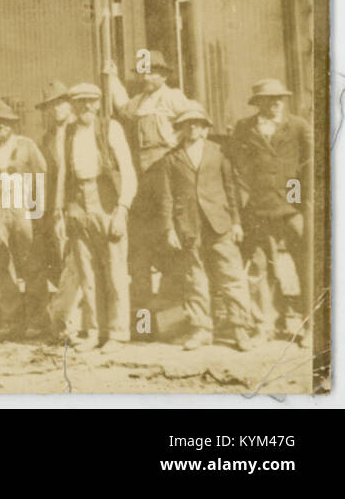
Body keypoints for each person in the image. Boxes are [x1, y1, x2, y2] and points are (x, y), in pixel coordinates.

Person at [157, 102, 255, 351]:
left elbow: (231, 189)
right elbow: (166, 197)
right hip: (188, 226)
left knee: (231, 276)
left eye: (197, 124)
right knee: (194, 278)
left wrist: (236, 222)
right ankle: (201, 329)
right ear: (180, 128)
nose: (193, 128)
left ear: (204, 128)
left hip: (220, 224)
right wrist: (169, 229)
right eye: (187, 124)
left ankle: (240, 328)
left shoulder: (218, 152)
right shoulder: (171, 159)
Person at [105, 53, 190, 325]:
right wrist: (112, 78)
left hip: (166, 166)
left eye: (150, 72)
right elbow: (122, 107)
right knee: (143, 235)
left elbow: (194, 119)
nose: (145, 78)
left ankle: (179, 301)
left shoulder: (173, 97)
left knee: (170, 230)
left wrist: (177, 144)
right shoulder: (140, 101)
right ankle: (147, 306)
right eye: (142, 73)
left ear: (163, 75)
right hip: (144, 172)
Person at [227, 79, 312, 345]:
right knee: (260, 267)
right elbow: (235, 164)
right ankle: (265, 325)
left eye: (280, 98)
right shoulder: (244, 127)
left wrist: (296, 199)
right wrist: (246, 200)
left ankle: (310, 324)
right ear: (259, 103)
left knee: (305, 264)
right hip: (258, 209)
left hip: (291, 209)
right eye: (270, 99)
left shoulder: (298, 125)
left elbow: (310, 162)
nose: (276, 103)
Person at [57, 83, 137, 351]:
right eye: (80, 103)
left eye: (91, 102)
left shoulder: (110, 127)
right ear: (74, 105)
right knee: (86, 271)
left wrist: (122, 209)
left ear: (99, 103)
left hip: (106, 200)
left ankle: (117, 333)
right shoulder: (67, 132)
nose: (86, 107)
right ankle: (93, 331)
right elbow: (62, 174)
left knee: (114, 269)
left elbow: (128, 171)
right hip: (78, 202)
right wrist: (62, 209)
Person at [0, 101, 49, 340]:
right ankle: (11, 320)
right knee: (2, 265)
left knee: (31, 264)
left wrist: (38, 213)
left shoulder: (26, 146)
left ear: (11, 125)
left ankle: (37, 320)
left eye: (3, 124)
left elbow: (42, 177)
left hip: (22, 208)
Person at [37, 81, 91, 343]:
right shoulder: (48, 137)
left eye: (60, 103)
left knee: (81, 261)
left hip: (80, 204)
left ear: (69, 103)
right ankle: (67, 322)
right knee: (65, 263)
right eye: (50, 106)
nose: (56, 110)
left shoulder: (80, 129)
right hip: (56, 208)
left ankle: (80, 322)